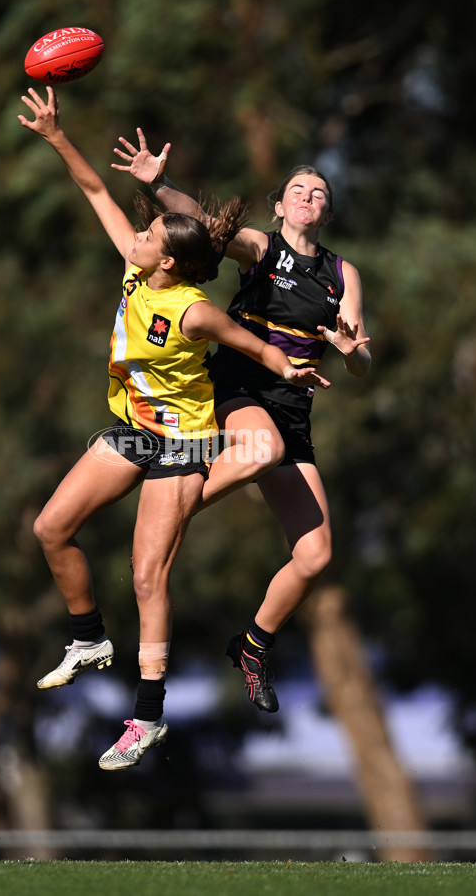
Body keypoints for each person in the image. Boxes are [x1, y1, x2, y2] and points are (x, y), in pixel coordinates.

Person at [17, 87, 330, 770]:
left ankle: (147, 715)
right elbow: (95, 189)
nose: (138, 236)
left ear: (168, 262)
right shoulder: (136, 266)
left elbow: (259, 351)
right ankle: (87, 638)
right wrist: (55, 136)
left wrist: (296, 369)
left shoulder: (193, 311)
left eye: (152, 235)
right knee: (50, 528)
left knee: (147, 574)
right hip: (132, 427)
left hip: (185, 445)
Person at [112, 129, 371, 714]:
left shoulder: (342, 273)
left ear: (326, 211)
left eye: (320, 191)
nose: (310, 195)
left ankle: (252, 646)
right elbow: (200, 223)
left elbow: (360, 361)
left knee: (316, 555)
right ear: (280, 206)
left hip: (294, 408)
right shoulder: (261, 248)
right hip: (238, 383)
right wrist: (159, 183)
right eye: (299, 189)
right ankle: (166, 508)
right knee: (262, 448)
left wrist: (352, 349)